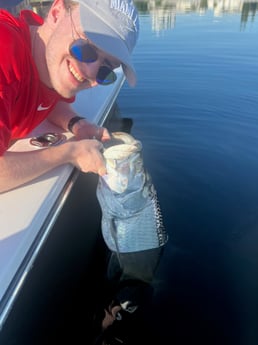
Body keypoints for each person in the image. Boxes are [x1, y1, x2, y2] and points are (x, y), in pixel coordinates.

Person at [0, 0, 139, 193]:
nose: (90, 73)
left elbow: (48, 98)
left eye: (105, 70)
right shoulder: (4, 50)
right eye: (86, 48)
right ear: (57, 13)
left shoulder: (43, 60)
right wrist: (68, 153)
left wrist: (76, 123)